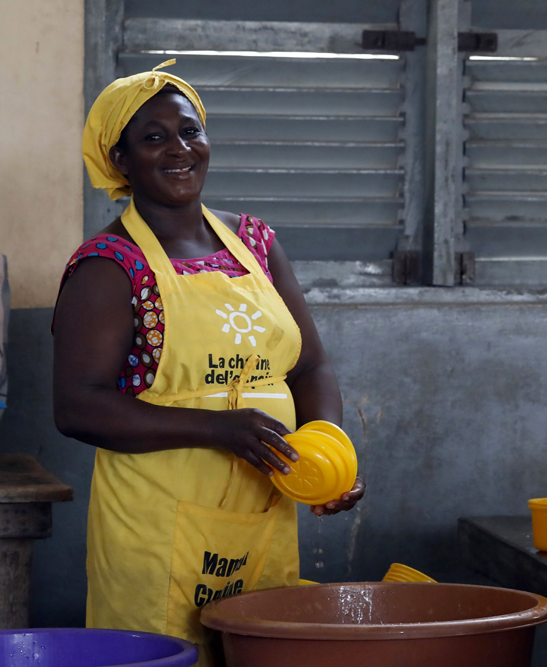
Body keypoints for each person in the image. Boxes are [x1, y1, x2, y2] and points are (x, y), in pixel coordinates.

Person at [52, 61, 364, 665]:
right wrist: (219, 430)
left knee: (255, 650)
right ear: (119, 160)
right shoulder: (109, 265)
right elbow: (77, 406)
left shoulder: (256, 243)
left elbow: (308, 367)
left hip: (259, 518)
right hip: (155, 531)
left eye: (190, 131)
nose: (180, 149)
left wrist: (325, 451)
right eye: (154, 137)